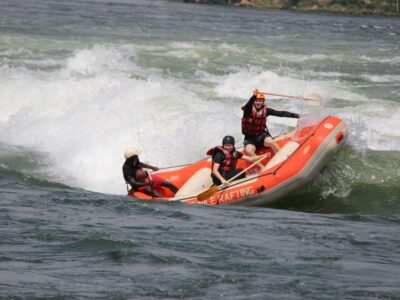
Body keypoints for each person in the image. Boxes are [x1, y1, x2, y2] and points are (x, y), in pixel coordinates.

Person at [241, 89, 299, 156]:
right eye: (256, 100)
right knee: (250, 151)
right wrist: (253, 96)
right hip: (249, 138)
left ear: (263, 102)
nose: (258, 102)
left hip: (261, 136)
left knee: (270, 142)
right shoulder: (247, 111)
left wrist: (298, 116)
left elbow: (281, 113)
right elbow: (248, 105)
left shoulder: (266, 111)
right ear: (253, 102)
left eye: (260, 101)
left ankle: (281, 157)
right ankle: (263, 166)